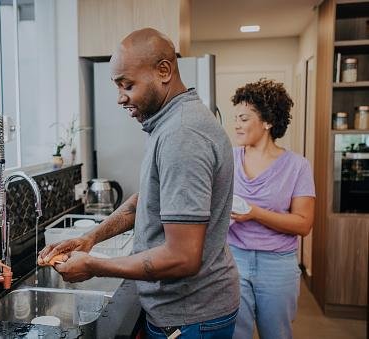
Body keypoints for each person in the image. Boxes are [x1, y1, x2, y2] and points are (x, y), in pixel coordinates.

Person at [38, 28, 239, 338]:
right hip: (185, 312)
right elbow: (142, 204)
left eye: (127, 85)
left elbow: (182, 257)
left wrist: (94, 266)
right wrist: (89, 239)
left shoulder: (182, 135)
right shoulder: (169, 124)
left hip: (191, 318)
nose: (120, 98)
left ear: (163, 71)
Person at [228, 79, 315, 339]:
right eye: (235, 118)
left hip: (277, 266)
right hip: (233, 259)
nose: (236, 125)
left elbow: (303, 224)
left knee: (276, 335)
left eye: (243, 118)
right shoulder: (228, 159)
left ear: (267, 122)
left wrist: (254, 213)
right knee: (235, 335)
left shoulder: (297, 166)